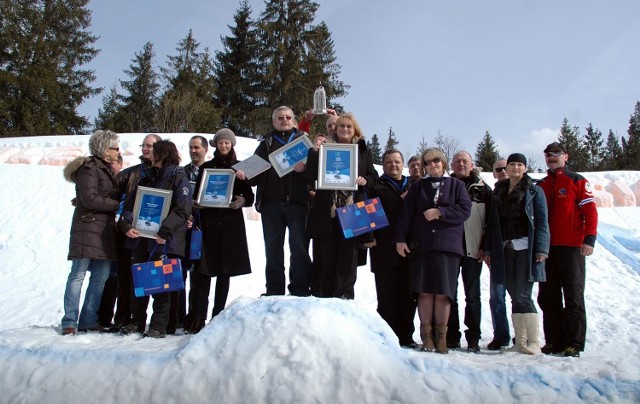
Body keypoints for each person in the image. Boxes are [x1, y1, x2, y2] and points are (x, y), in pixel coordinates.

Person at [395, 148, 471, 353]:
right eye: (427, 162)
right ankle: (427, 337)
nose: (432, 164)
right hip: (422, 247)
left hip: (448, 247)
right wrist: (400, 239)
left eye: (436, 160)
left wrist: (440, 212)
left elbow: (465, 210)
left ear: (443, 162)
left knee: (444, 293)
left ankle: (442, 337)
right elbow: (406, 215)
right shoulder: (418, 187)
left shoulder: (457, 186)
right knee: (425, 293)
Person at [120, 140, 192, 338]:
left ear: (162, 154)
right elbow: (130, 208)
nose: (148, 153)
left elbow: (183, 209)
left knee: (162, 285)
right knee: (141, 281)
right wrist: (127, 226)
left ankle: (159, 326)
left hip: (165, 241)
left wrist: (164, 232)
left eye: (153, 150)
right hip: (142, 239)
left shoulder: (178, 177)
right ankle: (136, 322)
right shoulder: (147, 178)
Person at [238, 106, 312, 296]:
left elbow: (314, 174)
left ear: (294, 120)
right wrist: (244, 175)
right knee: (273, 251)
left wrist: (304, 170)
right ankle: (274, 291)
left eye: (288, 117)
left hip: (297, 203)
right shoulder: (266, 143)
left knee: (299, 250)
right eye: (280, 117)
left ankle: (300, 289)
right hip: (271, 204)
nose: (284, 120)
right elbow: (254, 175)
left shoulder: (303, 141)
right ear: (273, 122)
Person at [304, 112, 379, 299]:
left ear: (355, 130)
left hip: (353, 208)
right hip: (327, 209)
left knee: (349, 256)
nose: (345, 129)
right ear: (335, 129)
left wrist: (364, 180)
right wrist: (313, 152)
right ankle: (328, 296)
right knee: (327, 255)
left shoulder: (363, 150)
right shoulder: (324, 149)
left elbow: (374, 178)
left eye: (348, 126)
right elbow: (310, 176)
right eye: (341, 126)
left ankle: (345, 296)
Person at [187, 129, 254, 333]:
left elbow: (249, 197)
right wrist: (197, 203)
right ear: (215, 145)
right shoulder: (207, 167)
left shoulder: (240, 168)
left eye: (227, 143)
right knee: (205, 271)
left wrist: (241, 200)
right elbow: (198, 193)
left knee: (225, 271)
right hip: (209, 223)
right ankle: (199, 317)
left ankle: (218, 315)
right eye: (221, 142)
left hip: (230, 224)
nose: (224, 146)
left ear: (232, 144)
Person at [484, 153, 549, 355]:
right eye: (512, 164)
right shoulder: (498, 192)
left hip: (525, 249)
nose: (515, 168)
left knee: (523, 294)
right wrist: (488, 248)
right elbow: (491, 225)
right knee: (513, 294)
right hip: (504, 249)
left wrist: (541, 249)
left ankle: (533, 341)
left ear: (525, 168)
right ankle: (520, 341)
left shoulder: (534, 191)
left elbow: (541, 222)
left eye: (520, 164)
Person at [536, 142, 598, 358]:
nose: (551, 158)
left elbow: (590, 211)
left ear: (566, 156)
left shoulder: (577, 181)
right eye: (548, 155)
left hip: (572, 248)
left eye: (556, 154)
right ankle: (554, 340)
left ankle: (574, 342)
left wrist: (589, 239)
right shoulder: (541, 185)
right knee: (548, 296)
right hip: (546, 249)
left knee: (573, 295)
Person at [61, 130, 121, 335]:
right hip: (87, 228)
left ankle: (89, 319)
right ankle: (70, 321)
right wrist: (117, 205)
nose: (118, 151)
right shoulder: (89, 168)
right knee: (78, 274)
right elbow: (89, 199)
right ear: (105, 150)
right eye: (116, 148)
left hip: (104, 231)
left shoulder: (105, 170)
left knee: (101, 276)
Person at [365, 149, 416, 347]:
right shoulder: (376, 186)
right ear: (383, 164)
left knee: (407, 296)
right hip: (383, 249)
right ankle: (387, 337)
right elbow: (366, 210)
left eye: (396, 162)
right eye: (388, 162)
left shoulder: (413, 185)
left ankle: (406, 336)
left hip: (409, 249)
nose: (392, 165)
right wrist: (368, 236)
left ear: (402, 164)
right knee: (386, 297)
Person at [112, 133, 161, 329]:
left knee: (149, 278)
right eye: (144, 145)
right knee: (125, 278)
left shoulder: (166, 174)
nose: (145, 149)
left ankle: (142, 320)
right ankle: (123, 319)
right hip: (129, 232)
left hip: (152, 235)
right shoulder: (130, 173)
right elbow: (109, 193)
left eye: (150, 145)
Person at [447, 151, 492, 352]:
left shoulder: (483, 189)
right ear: (452, 165)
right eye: (457, 162)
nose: (461, 164)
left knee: (472, 296)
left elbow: (491, 222)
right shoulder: (445, 186)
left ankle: (473, 338)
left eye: (465, 161)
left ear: (472, 164)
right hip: (449, 249)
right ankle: (452, 336)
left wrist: (485, 246)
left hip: (473, 249)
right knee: (450, 295)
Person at [170, 135, 208, 334]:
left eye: (197, 148)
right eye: (191, 148)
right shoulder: (181, 172)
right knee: (180, 273)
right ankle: (178, 317)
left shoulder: (210, 170)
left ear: (205, 149)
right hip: (182, 230)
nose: (193, 151)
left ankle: (196, 318)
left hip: (203, 229)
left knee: (200, 276)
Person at [97, 154, 124, 330]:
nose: (110, 167)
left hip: (121, 235)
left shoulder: (124, 180)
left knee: (116, 279)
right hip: (105, 235)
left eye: (112, 163)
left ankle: (116, 317)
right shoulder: (105, 183)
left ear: (120, 164)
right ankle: (102, 317)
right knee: (104, 278)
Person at [486, 158, 511, 350]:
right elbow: (487, 225)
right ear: (494, 173)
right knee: (497, 295)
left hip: (521, 251)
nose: (503, 171)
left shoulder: (528, 190)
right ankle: (501, 336)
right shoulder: (492, 194)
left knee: (521, 296)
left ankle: (524, 335)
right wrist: (487, 249)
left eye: (506, 168)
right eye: (498, 169)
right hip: (497, 250)